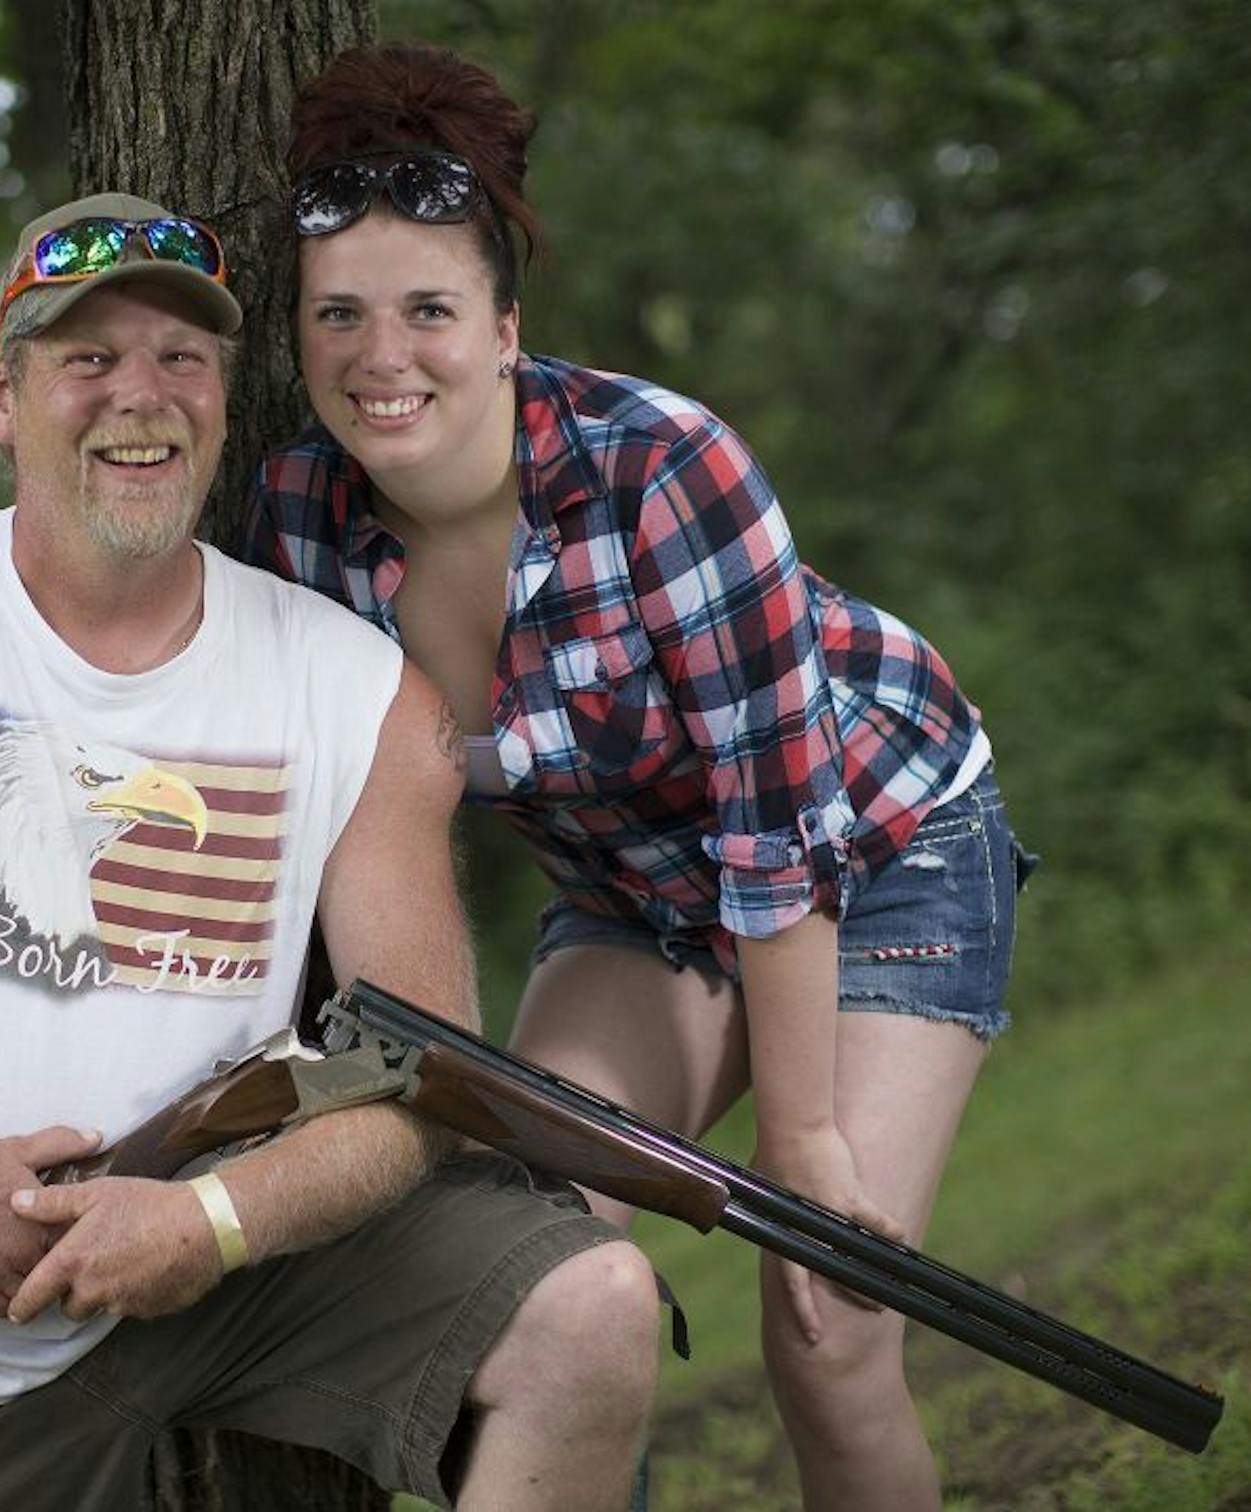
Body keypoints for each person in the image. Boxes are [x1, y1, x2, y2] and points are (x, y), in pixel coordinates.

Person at [0, 190, 659, 1512]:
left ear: (223, 395)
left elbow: (419, 1066)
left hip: (232, 1268)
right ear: (4, 396)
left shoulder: (356, 688)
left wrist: (215, 1224)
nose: (140, 396)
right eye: (87, 359)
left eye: (182, 358)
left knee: (594, 1308)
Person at [248, 47, 1035, 1512]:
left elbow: (776, 836)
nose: (382, 356)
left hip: (874, 851)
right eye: (338, 316)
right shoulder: (298, 522)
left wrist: (802, 1147)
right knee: (523, 1277)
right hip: (631, 902)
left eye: (429, 310)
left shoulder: (660, 467)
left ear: (503, 327)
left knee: (828, 1325)